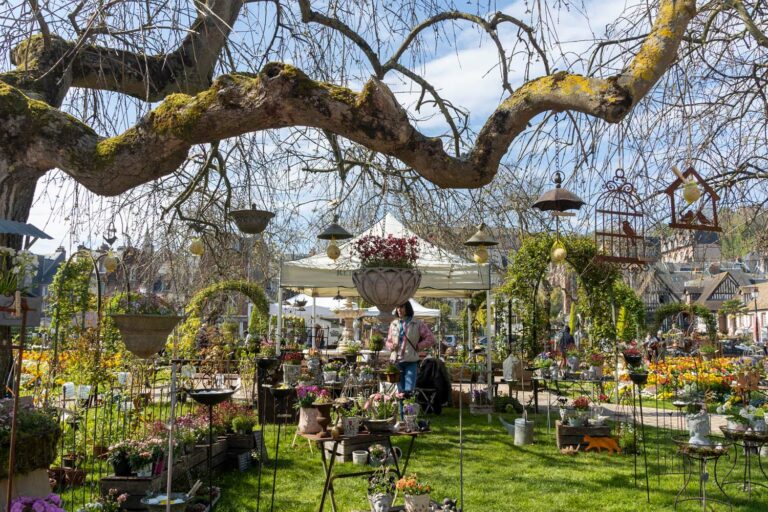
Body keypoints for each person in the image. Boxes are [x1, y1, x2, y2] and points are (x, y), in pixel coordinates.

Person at [385, 301, 436, 397]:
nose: (399, 309)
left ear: (407, 308)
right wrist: (391, 346)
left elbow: (431, 339)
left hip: (411, 361)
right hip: (396, 361)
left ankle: (409, 411)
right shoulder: (394, 324)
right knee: (400, 392)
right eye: (397, 307)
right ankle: (401, 411)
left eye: (401, 307)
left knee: (408, 391)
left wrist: (418, 346)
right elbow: (388, 341)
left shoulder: (417, 323)